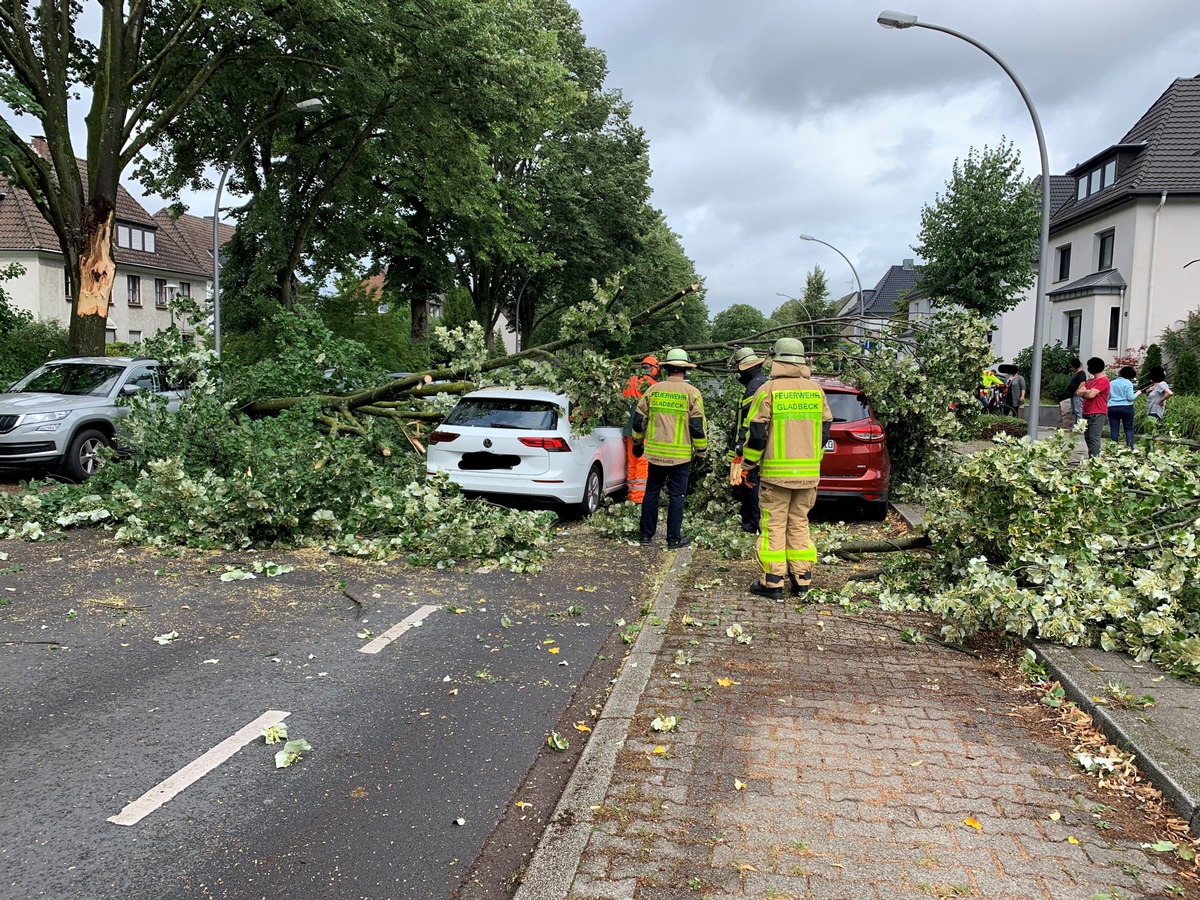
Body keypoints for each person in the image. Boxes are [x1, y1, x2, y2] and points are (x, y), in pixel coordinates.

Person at [739, 337, 832, 601]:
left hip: (776, 476)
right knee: (799, 525)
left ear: (775, 359)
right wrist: (814, 461)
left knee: (774, 527)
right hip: (808, 476)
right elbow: (825, 429)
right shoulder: (816, 391)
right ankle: (802, 580)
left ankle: (773, 582)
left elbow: (756, 435)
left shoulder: (767, 390)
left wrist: (748, 465)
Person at [632, 348, 707, 550]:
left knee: (651, 493)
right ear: (685, 370)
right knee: (677, 497)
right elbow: (697, 427)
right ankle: (673, 539)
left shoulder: (653, 390)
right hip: (680, 457)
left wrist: (637, 444)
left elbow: (639, 421)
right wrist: (701, 452)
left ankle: (646, 536)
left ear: (666, 369)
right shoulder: (692, 393)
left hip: (655, 454)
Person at [726, 347, 768, 533]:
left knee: (750, 483)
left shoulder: (754, 388)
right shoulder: (763, 382)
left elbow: (750, 421)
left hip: (751, 445)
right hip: (759, 444)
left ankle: (752, 522)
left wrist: (740, 446)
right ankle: (752, 520)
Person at [621, 355, 659, 503]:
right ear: (654, 369)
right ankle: (639, 497)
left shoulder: (629, 382)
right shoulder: (652, 385)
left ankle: (631, 495)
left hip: (629, 429)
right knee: (643, 462)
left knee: (632, 461)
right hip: (645, 430)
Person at [1077, 357, 1110, 458]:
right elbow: (1078, 392)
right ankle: (1091, 456)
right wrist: (1088, 391)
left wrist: (1087, 392)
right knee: (1087, 437)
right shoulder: (1091, 381)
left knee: (1094, 437)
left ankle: (1095, 459)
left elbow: (1090, 395)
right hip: (1086, 412)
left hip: (1098, 412)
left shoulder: (1104, 380)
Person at [1107, 365, 1137, 448]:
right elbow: (1130, 398)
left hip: (1112, 407)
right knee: (1129, 428)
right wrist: (1138, 393)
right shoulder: (1128, 383)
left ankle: (1113, 448)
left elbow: (1107, 397)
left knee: (1114, 428)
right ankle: (1130, 447)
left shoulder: (1111, 383)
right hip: (1126, 407)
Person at [1065, 358, 1086, 424]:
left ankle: (1079, 426)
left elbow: (1082, 383)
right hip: (1073, 394)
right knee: (1074, 411)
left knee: (1078, 410)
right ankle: (1075, 425)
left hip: (1077, 395)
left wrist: (1077, 391)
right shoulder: (1077, 373)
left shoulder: (1081, 373)